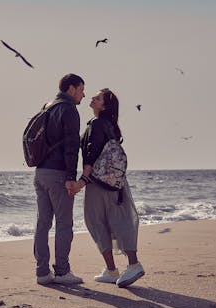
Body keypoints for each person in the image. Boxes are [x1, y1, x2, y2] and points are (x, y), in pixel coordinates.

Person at [71, 88, 145, 288]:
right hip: (116, 182)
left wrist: (82, 181)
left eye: (98, 97)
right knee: (119, 219)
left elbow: (91, 153)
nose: (93, 98)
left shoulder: (96, 124)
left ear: (104, 105)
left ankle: (129, 265)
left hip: (98, 183)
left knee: (96, 221)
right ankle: (116, 269)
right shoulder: (112, 126)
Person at [33, 73, 85, 285]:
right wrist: (71, 177)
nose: (83, 95)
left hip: (40, 173)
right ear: (71, 89)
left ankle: (42, 273)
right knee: (64, 223)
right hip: (58, 174)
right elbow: (72, 146)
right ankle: (62, 272)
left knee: (43, 223)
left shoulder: (47, 106)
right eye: (82, 90)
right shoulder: (69, 109)